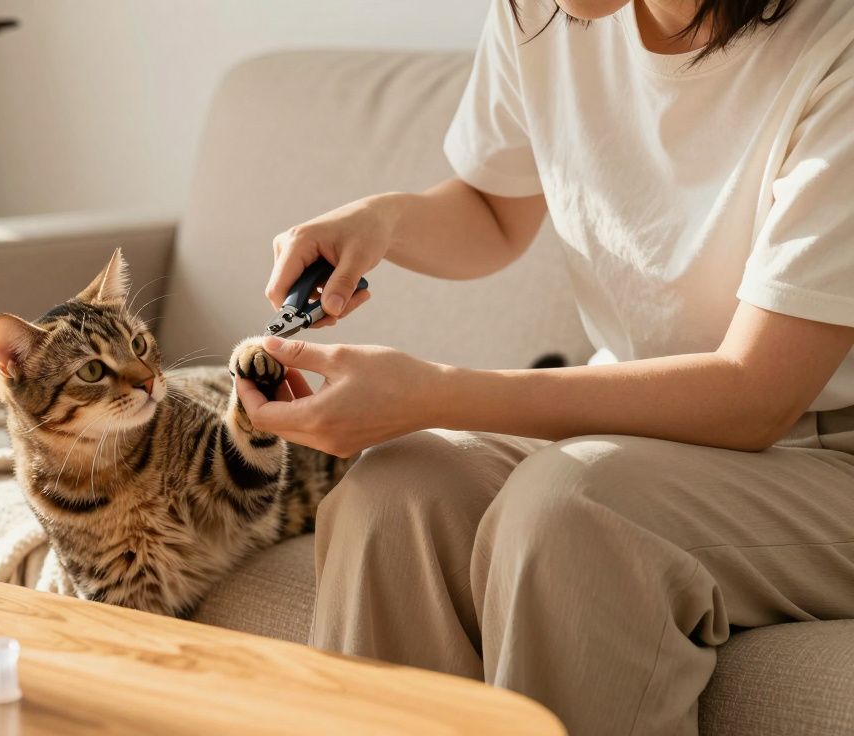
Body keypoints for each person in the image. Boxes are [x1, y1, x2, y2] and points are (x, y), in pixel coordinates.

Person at [234, 1, 854, 734]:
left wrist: (436, 393)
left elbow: (756, 396)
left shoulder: (836, 47)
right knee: (394, 494)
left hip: (825, 456)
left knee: (573, 512)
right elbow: (494, 212)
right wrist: (384, 220)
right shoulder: (543, 12)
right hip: (642, 436)